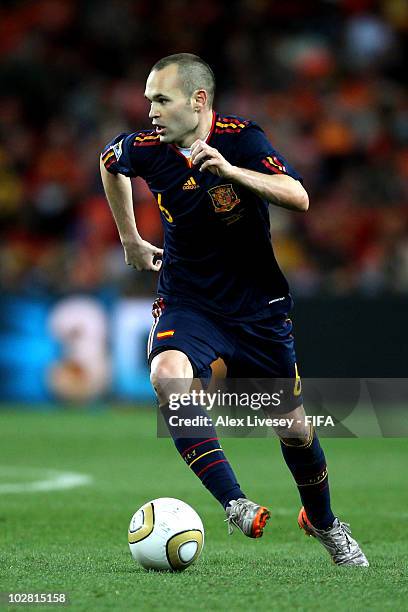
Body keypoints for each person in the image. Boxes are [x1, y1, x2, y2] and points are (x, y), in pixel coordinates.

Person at [100, 53, 368, 566]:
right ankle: (234, 502)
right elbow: (110, 163)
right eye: (148, 100)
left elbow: (299, 196)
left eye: (162, 99)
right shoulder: (146, 148)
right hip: (189, 301)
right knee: (167, 373)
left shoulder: (242, 138)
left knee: (293, 427)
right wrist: (131, 240)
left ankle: (325, 522)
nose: (151, 111)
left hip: (258, 310)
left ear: (198, 101)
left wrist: (233, 172)